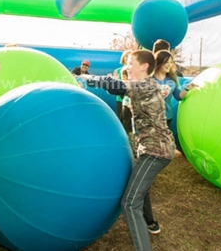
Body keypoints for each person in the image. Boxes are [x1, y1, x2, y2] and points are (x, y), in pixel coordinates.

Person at [79, 50, 188, 251]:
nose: (126, 66)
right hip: (150, 148)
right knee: (139, 187)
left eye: (130, 63)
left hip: (156, 152)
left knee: (130, 203)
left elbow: (113, 85)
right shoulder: (147, 85)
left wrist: (83, 77)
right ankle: (150, 222)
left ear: (144, 66)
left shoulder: (144, 85)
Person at [113, 50, 133, 117]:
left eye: (129, 56)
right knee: (121, 118)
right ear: (123, 58)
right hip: (120, 99)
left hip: (131, 99)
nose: (127, 58)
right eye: (126, 56)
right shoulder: (117, 71)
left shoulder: (134, 70)